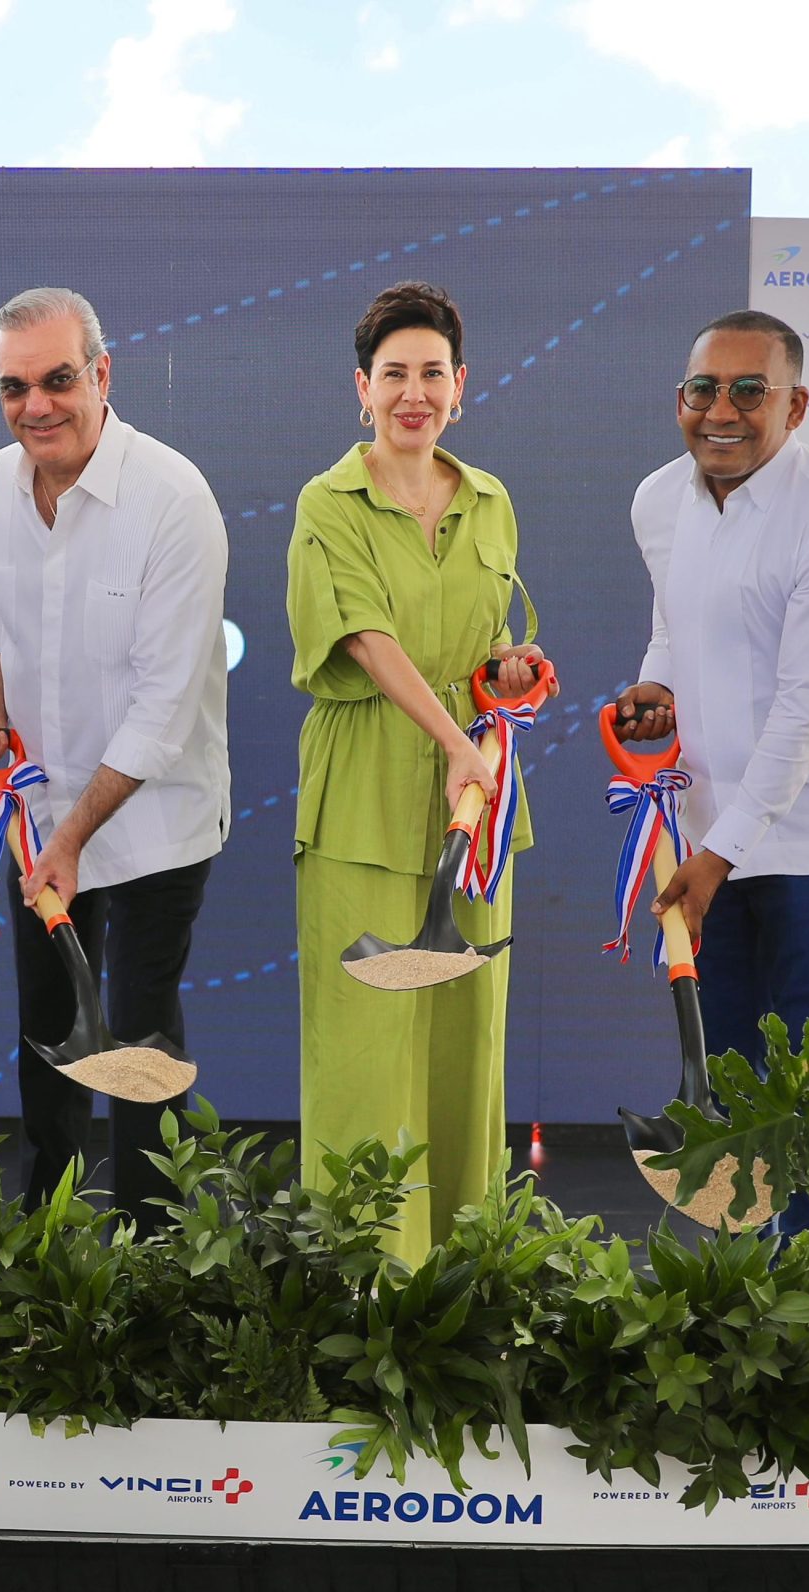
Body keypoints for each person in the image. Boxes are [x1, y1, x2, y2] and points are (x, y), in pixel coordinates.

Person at [613, 308, 809, 1236]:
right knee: (731, 1084)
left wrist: (718, 856)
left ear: (796, 406)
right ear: (680, 398)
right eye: (703, 389)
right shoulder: (658, 499)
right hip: (706, 839)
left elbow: (806, 710)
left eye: (750, 390)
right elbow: (675, 623)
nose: (722, 411)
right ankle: (746, 1288)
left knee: (808, 1092)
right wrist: (657, 684)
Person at [286, 280, 548, 1266]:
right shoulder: (327, 502)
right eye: (393, 373)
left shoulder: (492, 502)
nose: (413, 392)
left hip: (475, 806)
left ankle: (464, 1287)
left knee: (463, 1048)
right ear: (362, 389)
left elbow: (488, 645)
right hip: (365, 797)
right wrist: (452, 742)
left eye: (431, 373)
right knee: (364, 1057)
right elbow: (363, 636)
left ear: (459, 385)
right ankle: (365, 1289)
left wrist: (509, 676)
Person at [0, 287, 230, 1233]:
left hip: (155, 820)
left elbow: (163, 711)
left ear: (103, 374)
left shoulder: (173, 498)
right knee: (48, 1033)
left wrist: (70, 837)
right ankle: (48, 1241)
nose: (37, 405)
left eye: (59, 379)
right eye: (15, 387)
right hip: (38, 815)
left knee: (139, 1039)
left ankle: (154, 1252)